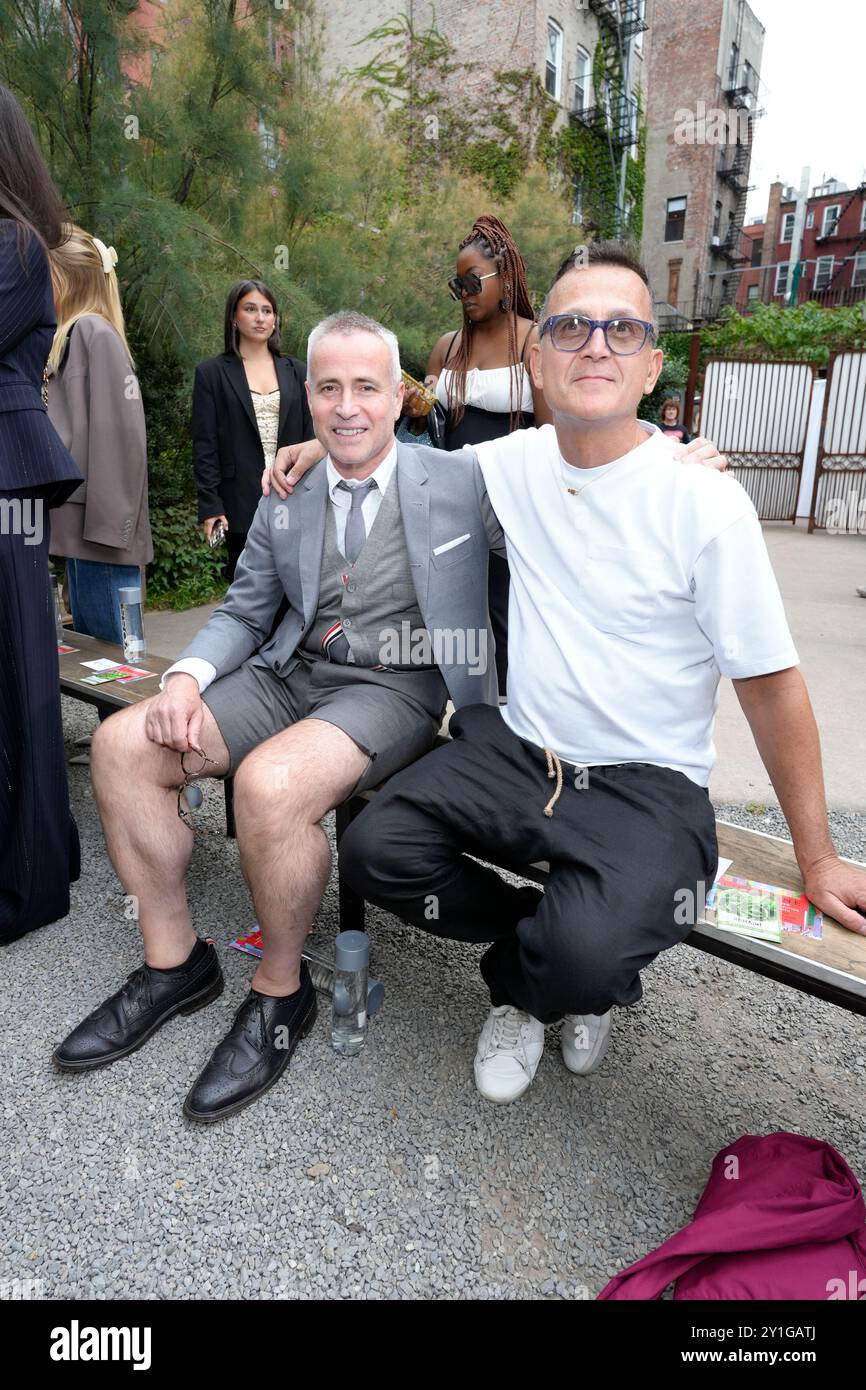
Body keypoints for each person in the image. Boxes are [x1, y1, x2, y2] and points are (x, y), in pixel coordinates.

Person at [337, 242, 866, 1105]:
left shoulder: (704, 500)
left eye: (622, 329)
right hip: (522, 755)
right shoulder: (509, 466)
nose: (595, 344)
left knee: (585, 955)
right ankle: (552, 950)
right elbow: (391, 466)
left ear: (653, 365)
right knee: (372, 848)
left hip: (648, 786)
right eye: (571, 326)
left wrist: (821, 857)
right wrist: (306, 457)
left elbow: (769, 686)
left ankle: (545, 982)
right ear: (538, 360)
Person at [53, 310, 504, 1122]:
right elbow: (246, 607)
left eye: (367, 386)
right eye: (328, 388)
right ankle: (175, 963)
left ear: (398, 395)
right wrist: (186, 679)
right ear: (309, 395)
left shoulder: (465, 480)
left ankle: (280, 991)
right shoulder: (286, 491)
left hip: (393, 688)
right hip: (288, 672)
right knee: (123, 744)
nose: (347, 406)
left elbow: (576, 479)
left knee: (270, 786)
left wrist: (669, 453)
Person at [402, 216, 551, 696]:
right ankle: (452, 707)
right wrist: (418, 411)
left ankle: (510, 716)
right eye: (457, 285)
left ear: (505, 278)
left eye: (473, 281)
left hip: (511, 501)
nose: (464, 293)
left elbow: (549, 434)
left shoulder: (534, 341)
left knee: (505, 609)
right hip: (449, 501)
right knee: (450, 609)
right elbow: (428, 429)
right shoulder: (446, 347)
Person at [0, 84, 83, 942]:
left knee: (21, 676)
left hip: (7, 480)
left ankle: (28, 886)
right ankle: (38, 858)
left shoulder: (18, 245)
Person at [47, 226, 152, 653]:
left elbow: (121, 436)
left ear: (67, 278)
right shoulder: (75, 334)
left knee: (118, 662)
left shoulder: (93, 332)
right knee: (96, 657)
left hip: (101, 533)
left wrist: (111, 530)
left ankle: (127, 723)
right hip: (85, 529)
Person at [192, 279, 315, 583]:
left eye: (267, 310)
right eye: (250, 309)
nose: (261, 318)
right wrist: (211, 506)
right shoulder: (211, 374)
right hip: (240, 500)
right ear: (234, 316)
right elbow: (205, 445)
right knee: (249, 589)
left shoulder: (298, 371)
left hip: (294, 494)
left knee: (296, 589)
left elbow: (314, 437)